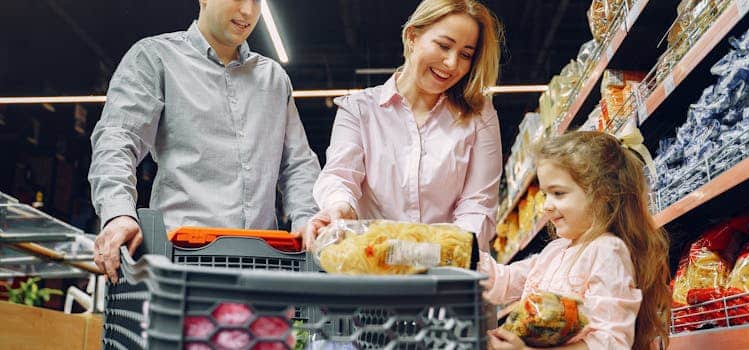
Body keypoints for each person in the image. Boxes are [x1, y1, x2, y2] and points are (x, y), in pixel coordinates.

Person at [89, 0, 320, 282]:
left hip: (264, 268)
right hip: (180, 265)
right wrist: (118, 214)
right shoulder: (156, 58)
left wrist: (308, 220)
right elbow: (117, 138)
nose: (248, 11)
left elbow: (298, 164)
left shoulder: (273, 79)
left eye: (256, 1)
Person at [304, 0, 504, 252]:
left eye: (465, 54)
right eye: (443, 46)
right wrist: (339, 207)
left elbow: (478, 204)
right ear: (412, 36)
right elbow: (340, 176)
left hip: (448, 273)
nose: (452, 63)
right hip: (373, 267)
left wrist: (442, 253)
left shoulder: (478, 116)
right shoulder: (360, 110)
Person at [482, 131, 671, 350]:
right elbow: (504, 281)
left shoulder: (607, 251)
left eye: (558, 193)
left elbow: (610, 343)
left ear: (604, 194)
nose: (546, 206)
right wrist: (461, 253)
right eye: (545, 194)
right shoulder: (555, 251)